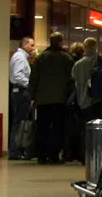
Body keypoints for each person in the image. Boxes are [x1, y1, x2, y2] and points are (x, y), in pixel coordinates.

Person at [27, 32, 74, 164]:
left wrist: (33, 96)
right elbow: (71, 79)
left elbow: (34, 79)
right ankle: (54, 155)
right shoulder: (66, 58)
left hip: (42, 100)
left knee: (42, 127)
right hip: (60, 99)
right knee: (58, 128)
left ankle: (42, 155)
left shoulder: (41, 58)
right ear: (60, 42)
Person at [72, 36, 102, 126]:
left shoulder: (78, 65)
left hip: (84, 102)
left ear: (84, 47)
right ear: (96, 47)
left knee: (86, 127)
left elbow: (74, 80)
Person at [8, 36, 34, 160]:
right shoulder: (19, 57)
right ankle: (15, 150)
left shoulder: (21, 57)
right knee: (19, 122)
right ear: (24, 45)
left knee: (20, 121)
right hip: (21, 91)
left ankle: (18, 149)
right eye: (31, 45)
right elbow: (18, 76)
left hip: (20, 91)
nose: (33, 48)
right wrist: (30, 84)